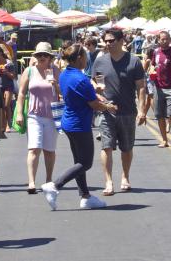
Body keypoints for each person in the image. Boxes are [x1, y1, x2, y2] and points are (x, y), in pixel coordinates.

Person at [40, 43, 118, 210]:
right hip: (79, 124)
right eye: (85, 56)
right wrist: (108, 106)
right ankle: (54, 185)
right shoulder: (81, 78)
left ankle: (85, 196)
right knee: (86, 163)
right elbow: (94, 104)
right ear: (80, 58)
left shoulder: (65, 75)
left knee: (79, 161)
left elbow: (82, 95)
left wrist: (96, 96)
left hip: (69, 122)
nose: (87, 59)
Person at [92, 28, 147, 195]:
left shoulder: (133, 61)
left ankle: (125, 176)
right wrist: (97, 92)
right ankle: (108, 182)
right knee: (106, 146)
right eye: (106, 41)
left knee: (126, 148)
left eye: (111, 41)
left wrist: (142, 110)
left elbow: (141, 87)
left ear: (121, 41)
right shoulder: (100, 61)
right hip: (107, 111)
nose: (108, 44)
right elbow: (93, 82)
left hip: (128, 111)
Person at [15, 42, 61, 194]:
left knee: (49, 150)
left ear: (50, 58)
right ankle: (32, 182)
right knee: (34, 148)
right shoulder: (29, 71)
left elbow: (62, 92)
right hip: (34, 114)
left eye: (45, 55)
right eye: (39, 55)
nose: (42, 57)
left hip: (51, 115)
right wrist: (20, 113)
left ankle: (48, 179)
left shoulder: (55, 70)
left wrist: (55, 85)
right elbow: (21, 93)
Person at [0, 46, 16, 136]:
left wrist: (6, 72)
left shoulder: (9, 64)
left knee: (6, 105)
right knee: (0, 106)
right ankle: (2, 124)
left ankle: (7, 125)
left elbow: (13, 76)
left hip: (8, 86)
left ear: (0, 54)